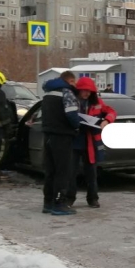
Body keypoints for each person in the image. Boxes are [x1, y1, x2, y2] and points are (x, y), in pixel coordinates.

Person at [65, 77, 116, 208]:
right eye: (84, 91)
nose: (87, 93)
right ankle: (69, 198)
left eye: (89, 91)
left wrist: (107, 121)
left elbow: (111, 112)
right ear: (79, 90)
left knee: (91, 172)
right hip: (74, 141)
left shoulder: (97, 102)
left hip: (91, 143)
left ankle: (93, 198)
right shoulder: (72, 100)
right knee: (71, 172)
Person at [41, 71, 81, 215]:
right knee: (62, 171)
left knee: (50, 171)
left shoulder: (47, 93)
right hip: (63, 136)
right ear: (70, 80)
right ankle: (60, 204)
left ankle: (48, 203)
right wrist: (77, 126)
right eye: (74, 82)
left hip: (48, 135)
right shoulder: (67, 93)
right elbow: (71, 114)